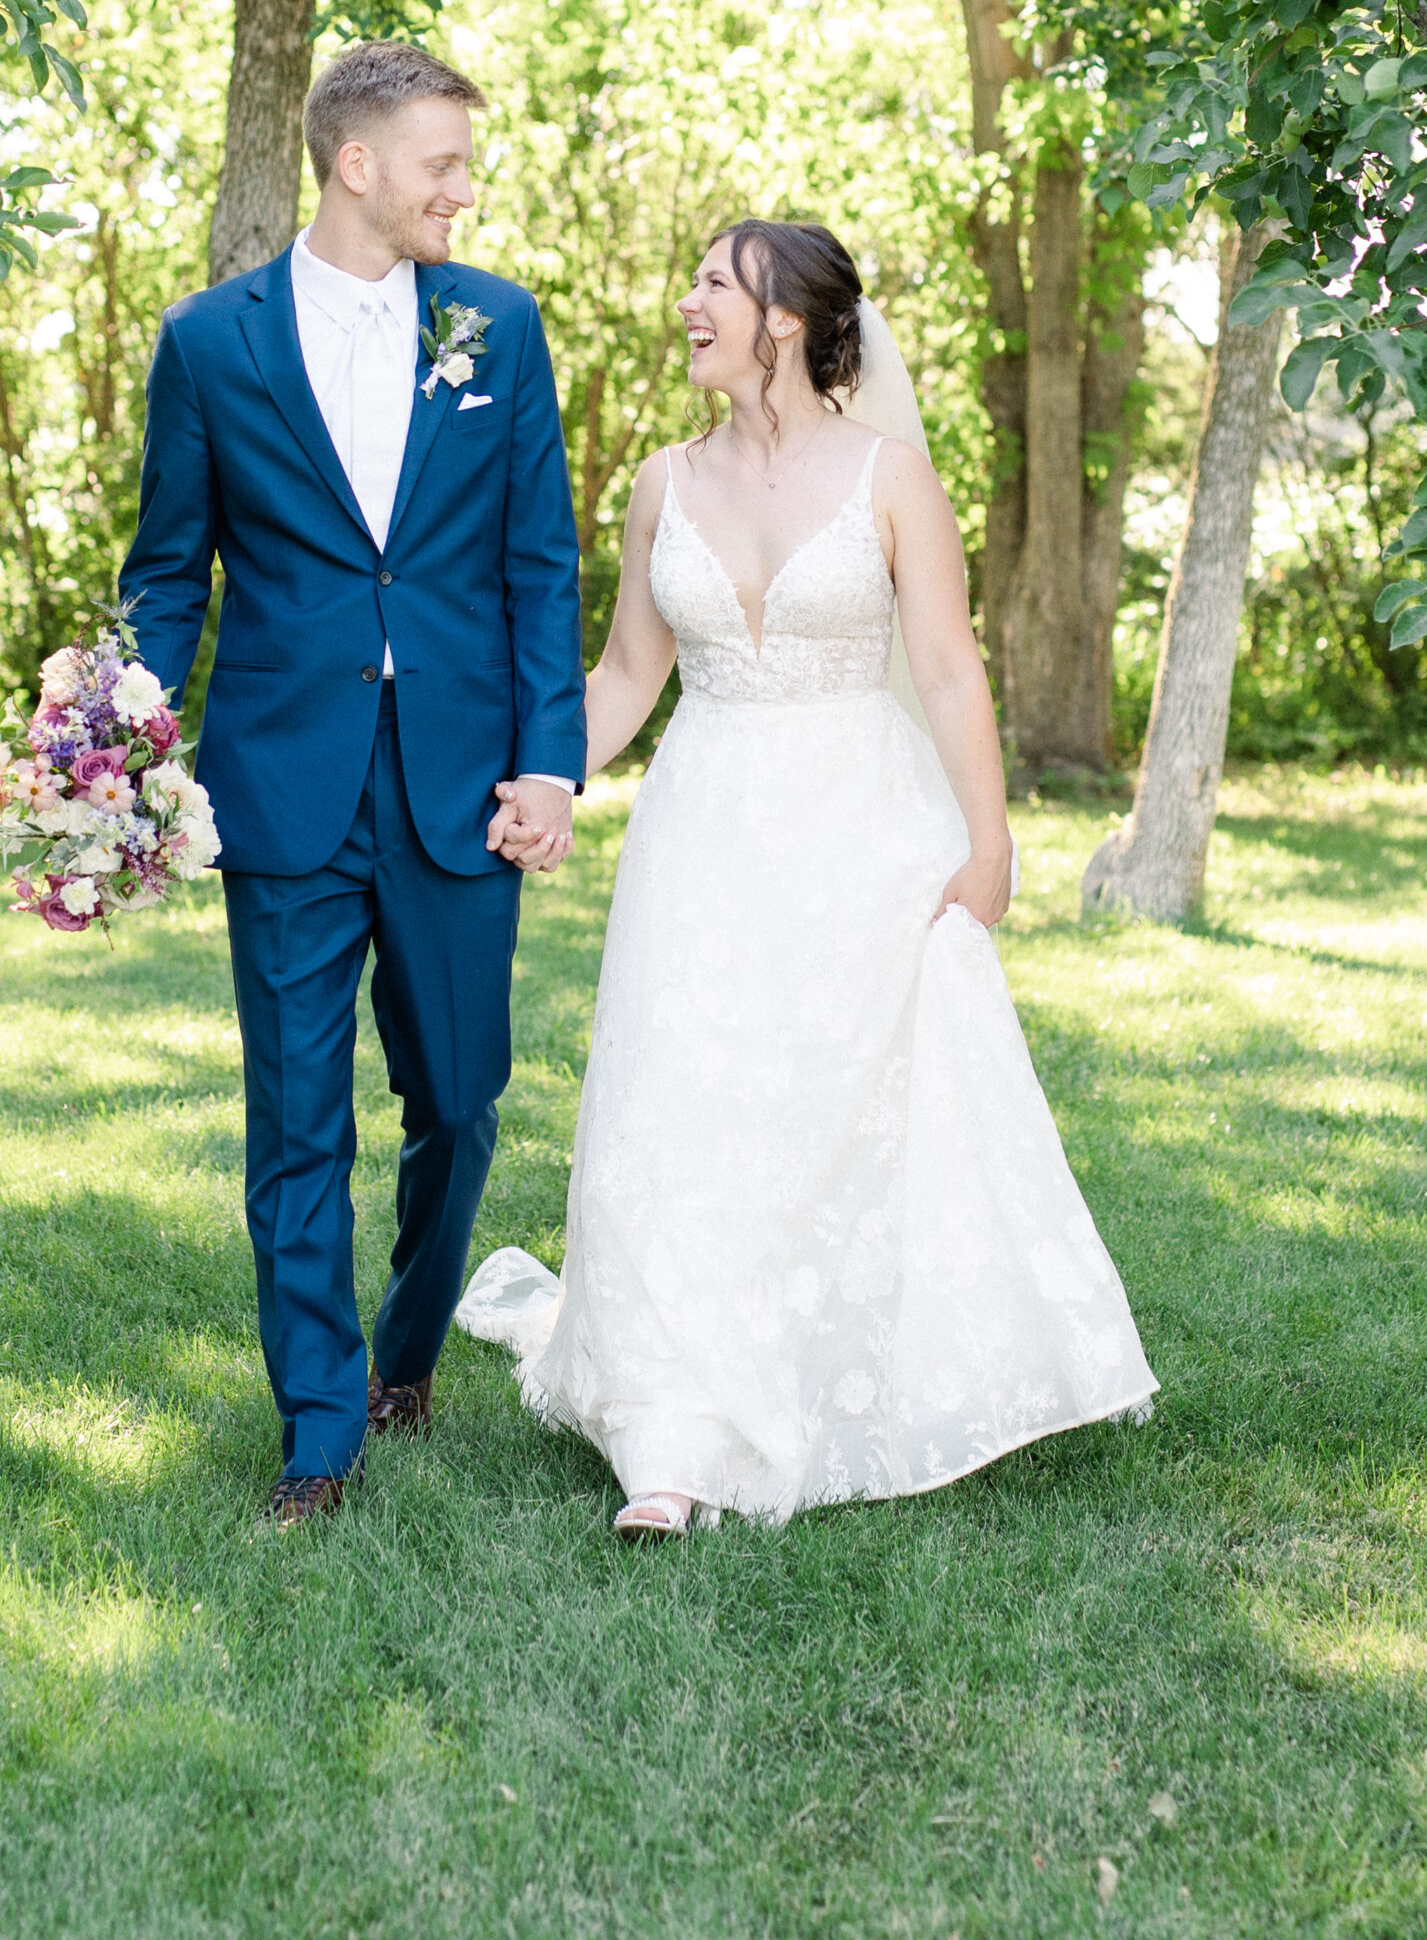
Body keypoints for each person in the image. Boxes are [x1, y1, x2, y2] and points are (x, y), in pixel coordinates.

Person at [461, 219, 1157, 1536]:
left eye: (712, 284)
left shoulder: (891, 476)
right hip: (703, 829)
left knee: (838, 1109)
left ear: (782, 318)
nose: (687, 305)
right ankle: (669, 1438)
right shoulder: (665, 482)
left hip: (862, 826)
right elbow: (624, 674)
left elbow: (949, 667)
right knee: (684, 1104)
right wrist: (553, 774)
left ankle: (821, 1368)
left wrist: (989, 839)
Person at [120, 41, 585, 1526]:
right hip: (280, 784)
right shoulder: (208, 342)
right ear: (356, 164)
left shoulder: (500, 332)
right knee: (297, 1120)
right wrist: (119, 748)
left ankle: (407, 1343)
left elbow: (539, 567)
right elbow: (167, 575)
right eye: (443, 161)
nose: (466, 185)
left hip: (458, 782)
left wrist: (552, 762)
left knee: (459, 1100)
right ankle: (321, 1428)